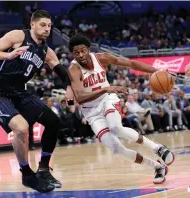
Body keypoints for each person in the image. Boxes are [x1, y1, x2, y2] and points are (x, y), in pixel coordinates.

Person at [0, 10, 73, 193]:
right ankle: (27, 174)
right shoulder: (18, 36)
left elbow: (62, 72)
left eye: (49, 26)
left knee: (53, 121)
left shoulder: (46, 51)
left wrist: (69, 87)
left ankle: (44, 169)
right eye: (43, 25)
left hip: (19, 93)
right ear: (32, 24)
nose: (47, 29)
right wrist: (8, 55)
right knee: (21, 128)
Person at [67, 34, 175, 184]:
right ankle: (157, 167)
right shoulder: (74, 69)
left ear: (88, 49)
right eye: (76, 53)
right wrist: (106, 89)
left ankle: (157, 148)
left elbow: (131, 64)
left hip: (107, 99)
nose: (80, 55)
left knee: (116, 127)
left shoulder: (101, 58)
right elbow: (79, 97)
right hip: (91, 111)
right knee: (117, 148)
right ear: (72, 54)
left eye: (83, 51)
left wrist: (156, 71)